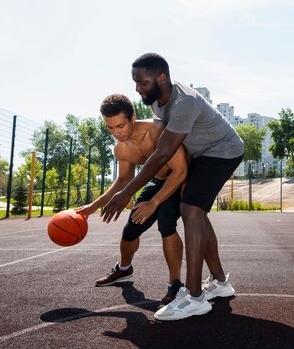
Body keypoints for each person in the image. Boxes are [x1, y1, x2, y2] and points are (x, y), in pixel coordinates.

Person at [101, 53, 244, 321]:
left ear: (161, 77)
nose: (137, 88)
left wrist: (126, 193)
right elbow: (180, 145)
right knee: (196, 212)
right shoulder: (158, 103)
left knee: (190, 210)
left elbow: (162, 153)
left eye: (142, 83)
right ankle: (221, 283)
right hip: (200, 155)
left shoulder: (183, 103)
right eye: (135, 83)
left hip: (223, 150)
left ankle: (194, 297)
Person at [77, 94, 187, 305]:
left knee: (166, 224)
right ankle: (124, 269)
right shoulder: (121, 148)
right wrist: (92, 207)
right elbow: (123, 181)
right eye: (110, 128)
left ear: (133, 117)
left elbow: (180, 171)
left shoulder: (157, 130)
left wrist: (154, 203)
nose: (116, 133)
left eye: (120, 126)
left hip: (179, 179)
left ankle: (175, 284)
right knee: (130, 230)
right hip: (156, 181)